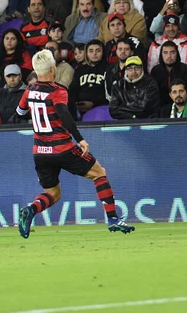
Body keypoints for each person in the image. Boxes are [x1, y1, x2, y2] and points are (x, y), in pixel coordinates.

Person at [15, 49, 134, 238]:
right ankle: (113, 219)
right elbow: (63, 113)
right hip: (62, 147)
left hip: (40, 152)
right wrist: (80, 139)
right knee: (99, 174)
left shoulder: (29, 90)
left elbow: (20, 113)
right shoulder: (58, 90)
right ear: (53, 68)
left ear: (35, 70)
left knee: (53, 193)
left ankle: (31, 209)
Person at [109, 55, 161, 119]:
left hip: (147, 122)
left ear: (142, 69)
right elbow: (113, 110)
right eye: (130, 68)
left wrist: (122, 108)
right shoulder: (118, 86)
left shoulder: (151, 83)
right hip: (124, 123)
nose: (134, 71)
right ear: (126, 70)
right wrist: (132, 116)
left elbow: (145, 107)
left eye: (137, 68)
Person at [150, 40, 187, 106]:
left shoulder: (186, 69)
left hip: (182, 105)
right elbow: (153, 93)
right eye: (165, 53)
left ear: (177, 53)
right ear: (161, 54)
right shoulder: (155, 71)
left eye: (172, 52)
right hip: (160, 106)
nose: (169, 56)